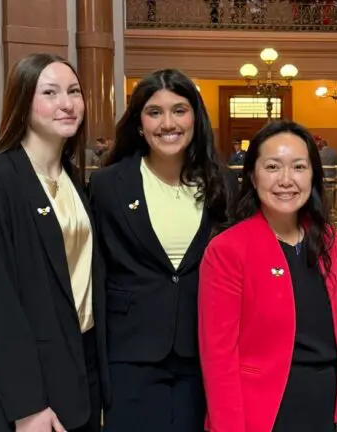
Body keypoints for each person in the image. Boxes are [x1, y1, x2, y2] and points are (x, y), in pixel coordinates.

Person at [0, 53, 110, 431]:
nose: (67, 103)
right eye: (50, 92)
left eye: (74, 91)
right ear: (23, 103)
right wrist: (28, 406)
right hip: (29, 393)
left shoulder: (76, 181)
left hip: (81, 376)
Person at [88, 69, 235, 431]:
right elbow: (97, 268)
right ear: (139, 123)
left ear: (195, 119)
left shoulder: (224, 182)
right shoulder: (108, 184)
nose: (168, 123)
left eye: (179, 110)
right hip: (130, 351)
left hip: (201, 349)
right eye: (154, 112)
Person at [198, 120, 337, 432]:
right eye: (272, 167)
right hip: (262, 413)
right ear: (252, 175)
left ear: (313, 175)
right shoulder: (228, 249)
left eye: (299, 167)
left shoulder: (327, 240)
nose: (286, 180)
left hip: (322, 409)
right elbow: (218, 358)